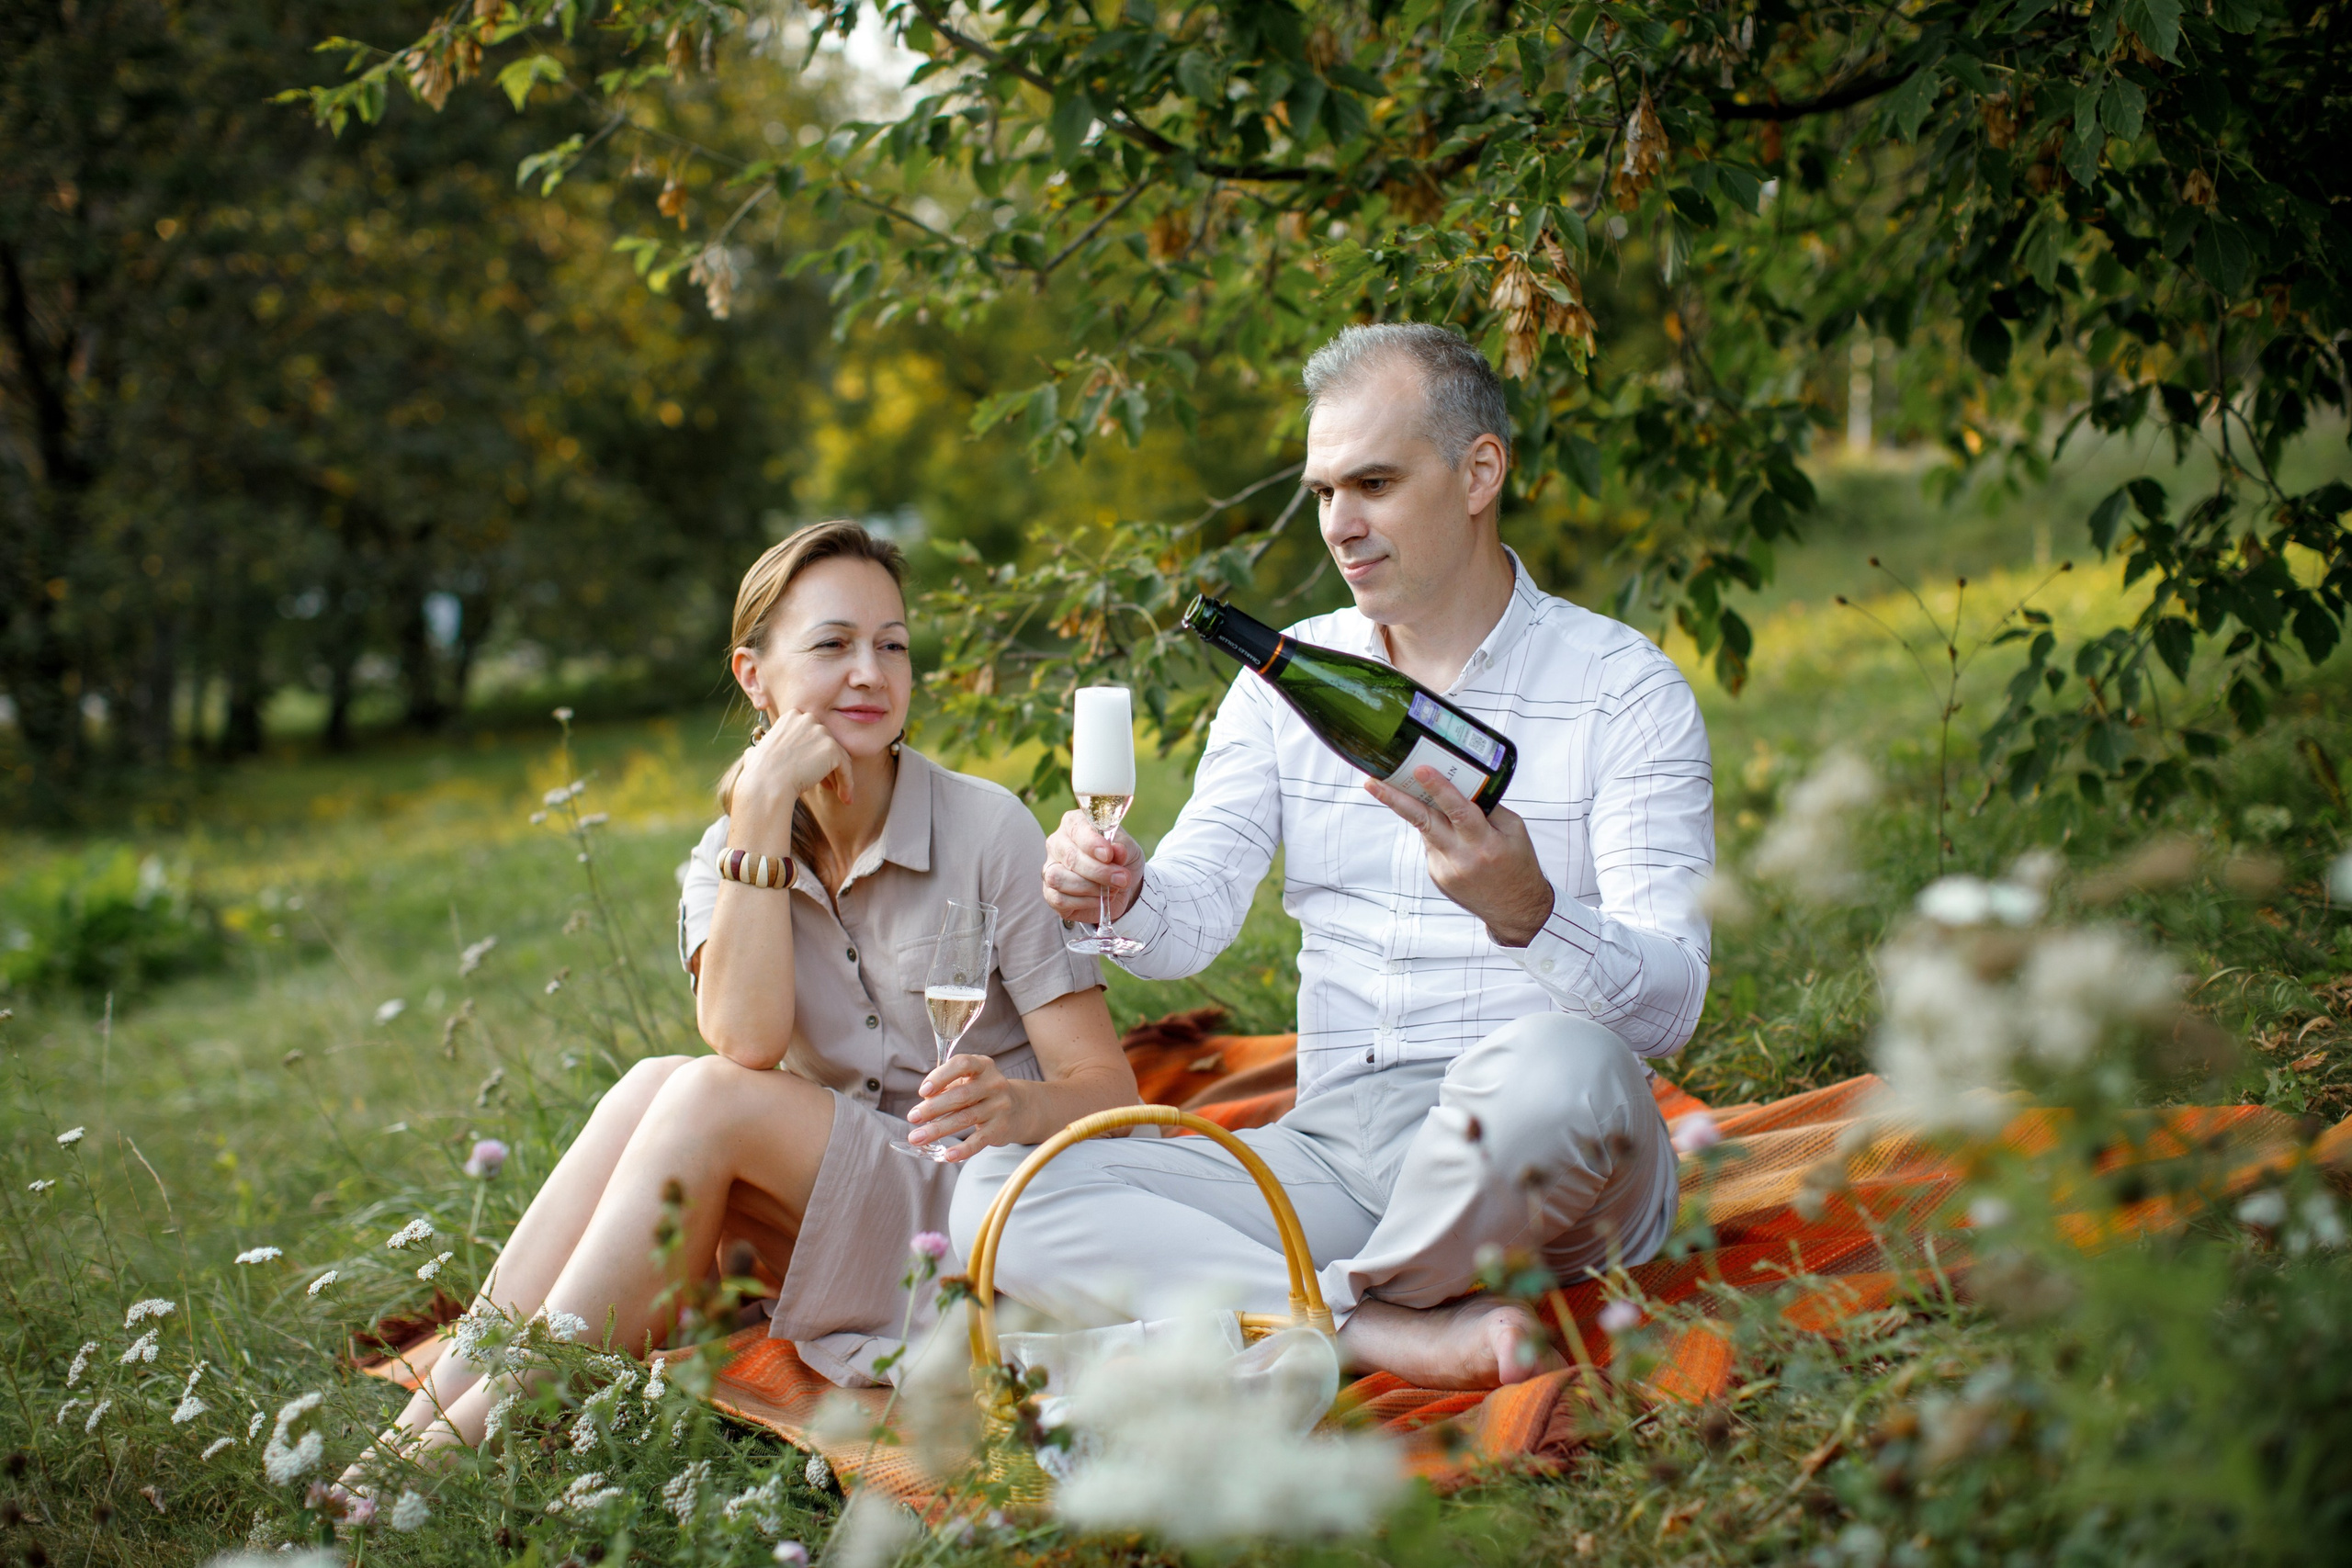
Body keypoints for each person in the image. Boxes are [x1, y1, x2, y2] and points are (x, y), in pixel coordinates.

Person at [949, 324, 1714, 1391]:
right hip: (1334, 1152)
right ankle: (1374, 1327)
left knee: (1567, 1064)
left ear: (1479, 470)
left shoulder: (1621, 690)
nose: (1340, 528)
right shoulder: (1282, 682)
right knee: (997, 1191)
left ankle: (1275, 1308)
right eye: (1320, 493)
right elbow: (1191, 918)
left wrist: (1530, 911)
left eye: (1374, 484)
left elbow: (1672, 1005)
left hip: (1530, 1145)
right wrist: (1122, 892)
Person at [352, 522, 1136, 1482]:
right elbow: (747, 1038)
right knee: (660, 1080)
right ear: (753, 676)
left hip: (984, 1209)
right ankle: (413, 1445)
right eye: (832, 644)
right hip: (830, 1215)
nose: (870, 672)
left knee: (703, 1094)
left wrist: (1014, 1104)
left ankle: (433, 1462)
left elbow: (1108, 1091)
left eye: (892, 644)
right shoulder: (723, 855)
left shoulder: (985, 828)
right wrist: (761, 814)